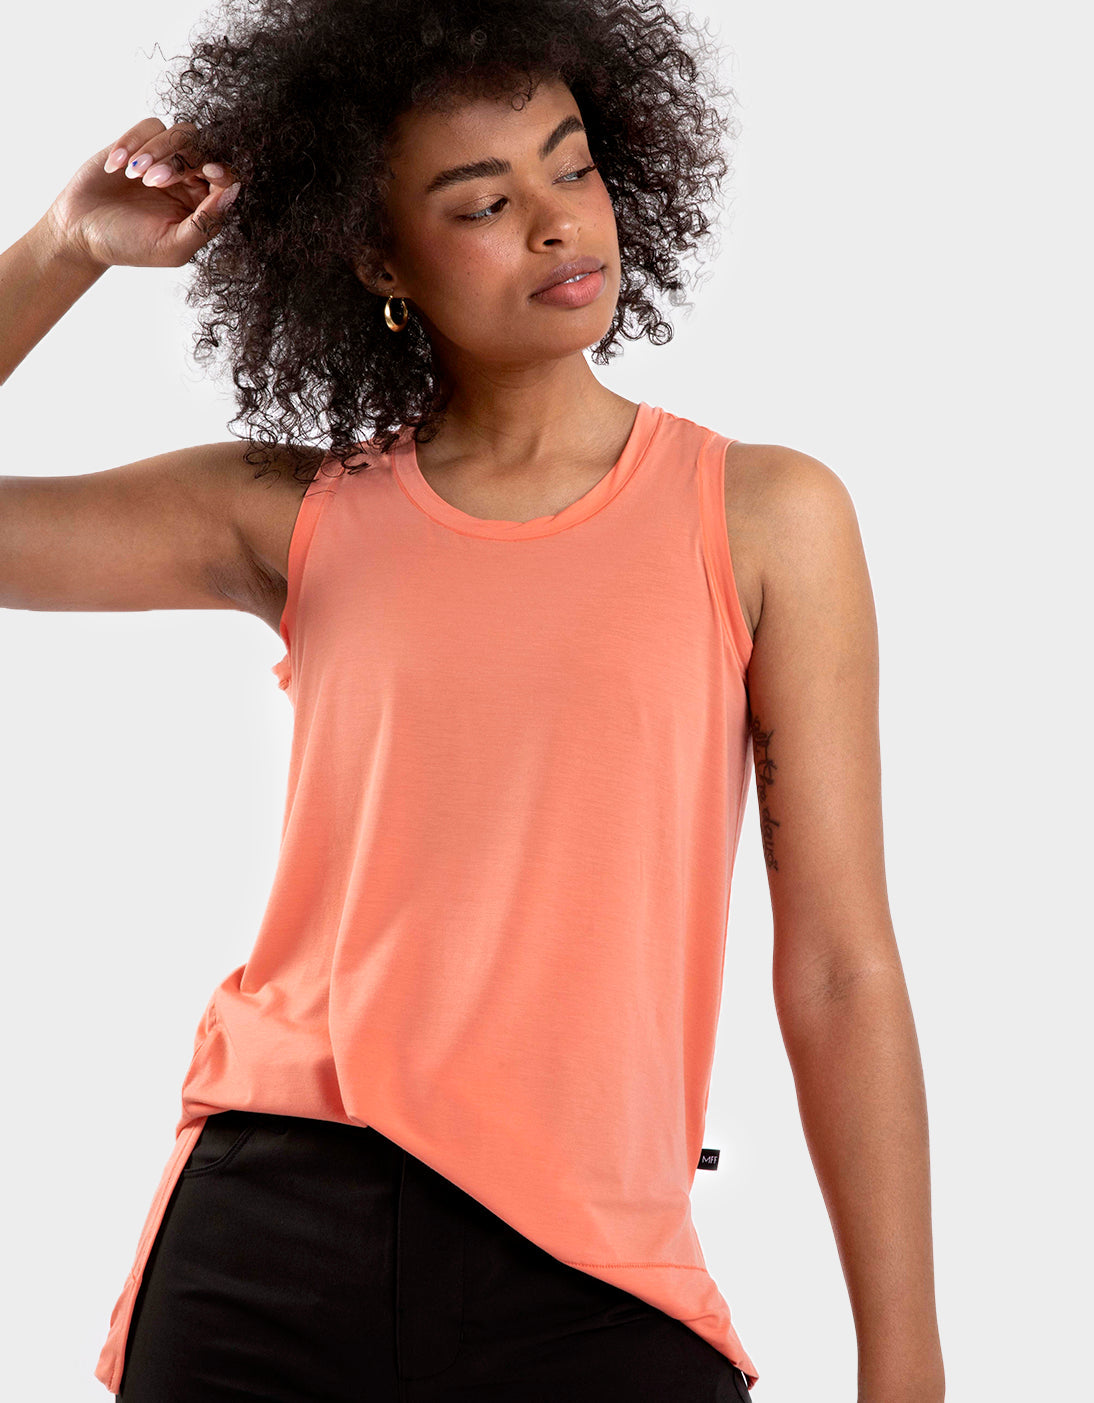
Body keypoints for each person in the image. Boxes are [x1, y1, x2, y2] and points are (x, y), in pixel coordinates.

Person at [0, 1, 945, 1399]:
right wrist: (62, 249)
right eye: (483, 203)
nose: (559, 225)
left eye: (573, 167)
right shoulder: (292, 513)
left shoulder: (763, 515)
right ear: (377, 254)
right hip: (274, 1239)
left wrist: (904, 1363)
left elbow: (839, 969)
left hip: (594, 1274)